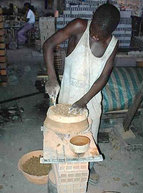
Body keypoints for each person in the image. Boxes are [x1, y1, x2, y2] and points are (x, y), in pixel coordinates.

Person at [43, 3, 120, 185]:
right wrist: (52, 78)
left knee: (87, 140)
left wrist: (84, 101)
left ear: (110, 33)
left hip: (91, 101)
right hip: (67, 98)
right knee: (64, 140)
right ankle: (61, 168)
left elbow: (103, 77)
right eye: (93, 30)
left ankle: (88, 168)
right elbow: (48, 45)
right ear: (92, 19)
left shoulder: (113, 45)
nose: (94, 35)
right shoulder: (79, 26)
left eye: (100, 35)